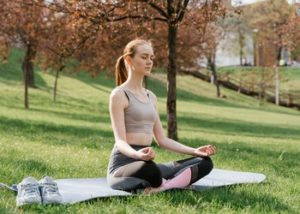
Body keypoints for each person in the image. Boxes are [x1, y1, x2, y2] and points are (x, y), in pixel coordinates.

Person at [107, 38, 217, 193]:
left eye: (151, 58)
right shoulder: (119, 94)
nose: (149, 62)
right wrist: (137, 154)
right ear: (129, 59)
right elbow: (120, 142)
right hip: (124, 167)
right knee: (151, 170)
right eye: (144, 57)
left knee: (205, 162)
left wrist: (194, 151)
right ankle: (169, 184)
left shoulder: (151, 96)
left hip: (147, 161)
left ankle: (161, 187)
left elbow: (162, 139)